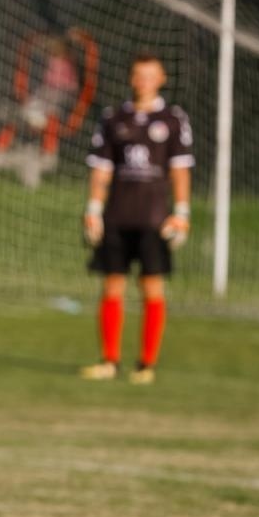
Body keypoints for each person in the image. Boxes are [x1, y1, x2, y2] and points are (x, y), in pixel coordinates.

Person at [80, 53, 193, 386]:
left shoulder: (173, 119)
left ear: (162, 79)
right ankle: (109, 361)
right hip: (117, 214)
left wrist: (182, 211)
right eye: (138, 74)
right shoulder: (113, 117)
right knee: (112, 285)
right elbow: (102, 168)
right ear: (131, 78)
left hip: (154, 218)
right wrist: (93, 208)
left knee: (151, 288)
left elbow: (180, 168)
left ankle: (146, 365)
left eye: (150, 75)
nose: (144, 80)